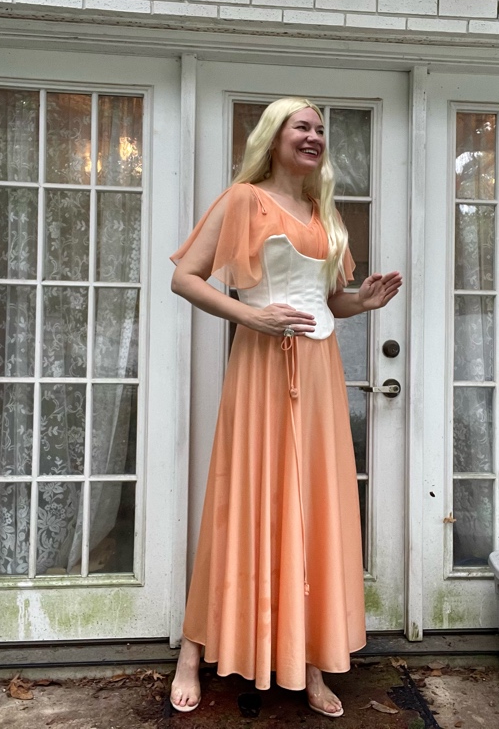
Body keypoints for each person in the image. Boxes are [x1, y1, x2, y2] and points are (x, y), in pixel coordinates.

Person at [169, 97, 402, 717]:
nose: (314, 136)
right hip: (260, 369)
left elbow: (329, 302)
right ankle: (193, 651)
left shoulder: (325, 211)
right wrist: (252, 314)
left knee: (313, 508)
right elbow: (185, 277)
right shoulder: (244, 200)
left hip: (320, 373)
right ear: (274, 137)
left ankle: (309, 661)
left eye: (321, 129)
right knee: (244, 502)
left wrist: (364, 302)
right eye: (302, 126)